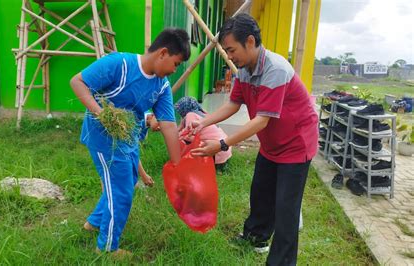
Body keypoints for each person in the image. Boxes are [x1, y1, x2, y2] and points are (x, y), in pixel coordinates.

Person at [190, 14, 318, 265]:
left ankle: (280, 261)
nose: (229, 56)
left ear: (250, 41)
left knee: (285, 208)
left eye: (231, 50)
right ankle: (256, 237)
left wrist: (223, 144)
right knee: (260, 193)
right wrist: (202, 122)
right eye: (226, 51)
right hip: (272, 144)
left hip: (296, 143)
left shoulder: (276, 69)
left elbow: (261, 120)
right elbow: (234, 104)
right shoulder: (245, 70)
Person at [70, 28, 190, 256]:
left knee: (126, 181)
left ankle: (93, 223)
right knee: (123, 190)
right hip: (103, 139)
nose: (174, 71)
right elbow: (77, 82)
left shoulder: (161, 86)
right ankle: (106, 248)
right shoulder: (119, 64)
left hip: (128, 138)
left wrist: (179, 166)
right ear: (163, 53)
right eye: (175, 64)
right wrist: (102, 114)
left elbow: (168, 125)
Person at [174, 96, 232, 170]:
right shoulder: (202, 114)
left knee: (185, 141)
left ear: (183, 109)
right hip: (225, 149)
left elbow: (189, 136)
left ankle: (188, 164)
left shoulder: (190, 115)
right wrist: (181, 126)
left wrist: (177, 137)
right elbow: (181, 129)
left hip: (217, 152)